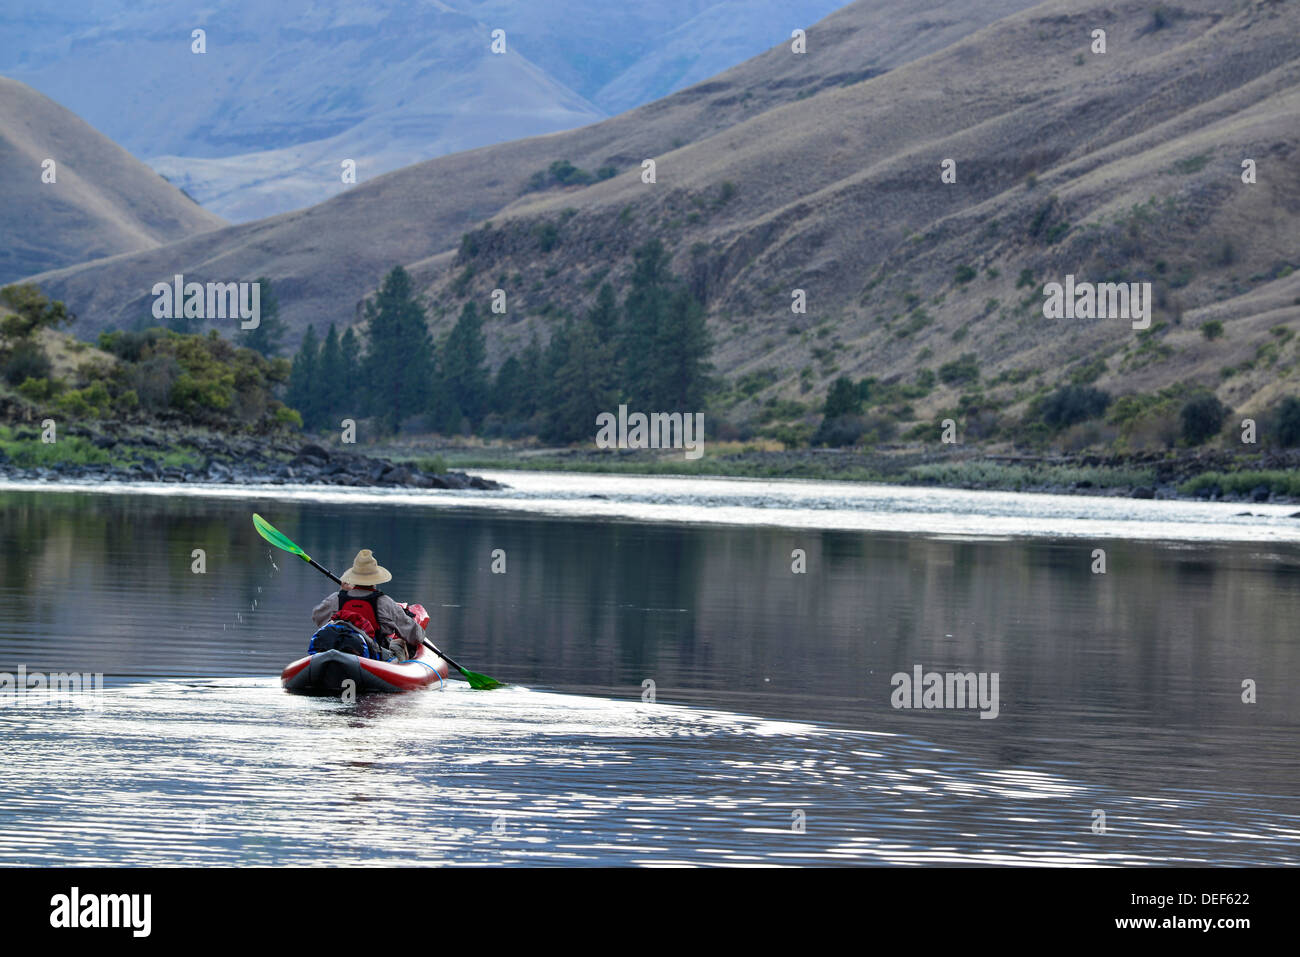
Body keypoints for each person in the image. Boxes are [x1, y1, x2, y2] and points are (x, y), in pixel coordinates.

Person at [311, 549, 425, 661]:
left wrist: (343, 594)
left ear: (353, 576)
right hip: (373, 659)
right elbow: (416, 637)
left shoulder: (336, 598)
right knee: (398, 645)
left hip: (337, 652)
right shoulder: (385, 602)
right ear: (375, 578)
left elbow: (317, 617)